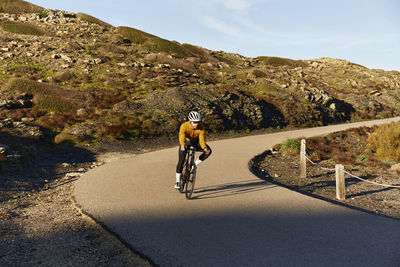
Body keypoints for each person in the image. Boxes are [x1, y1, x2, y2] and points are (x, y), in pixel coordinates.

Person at [175, 111, 212, 189]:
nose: (197, 124)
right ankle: (177, 182)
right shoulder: (184, 126)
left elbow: (202, 140)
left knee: (209, 151)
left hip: (196, 142)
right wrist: (182, 145)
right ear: (190, 121)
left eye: (198, 122)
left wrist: (204, 148)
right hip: (186, 142)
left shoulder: (201, 127)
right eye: (195, 122)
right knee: (181, 161)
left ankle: (194, 165)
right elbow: (181, 136)